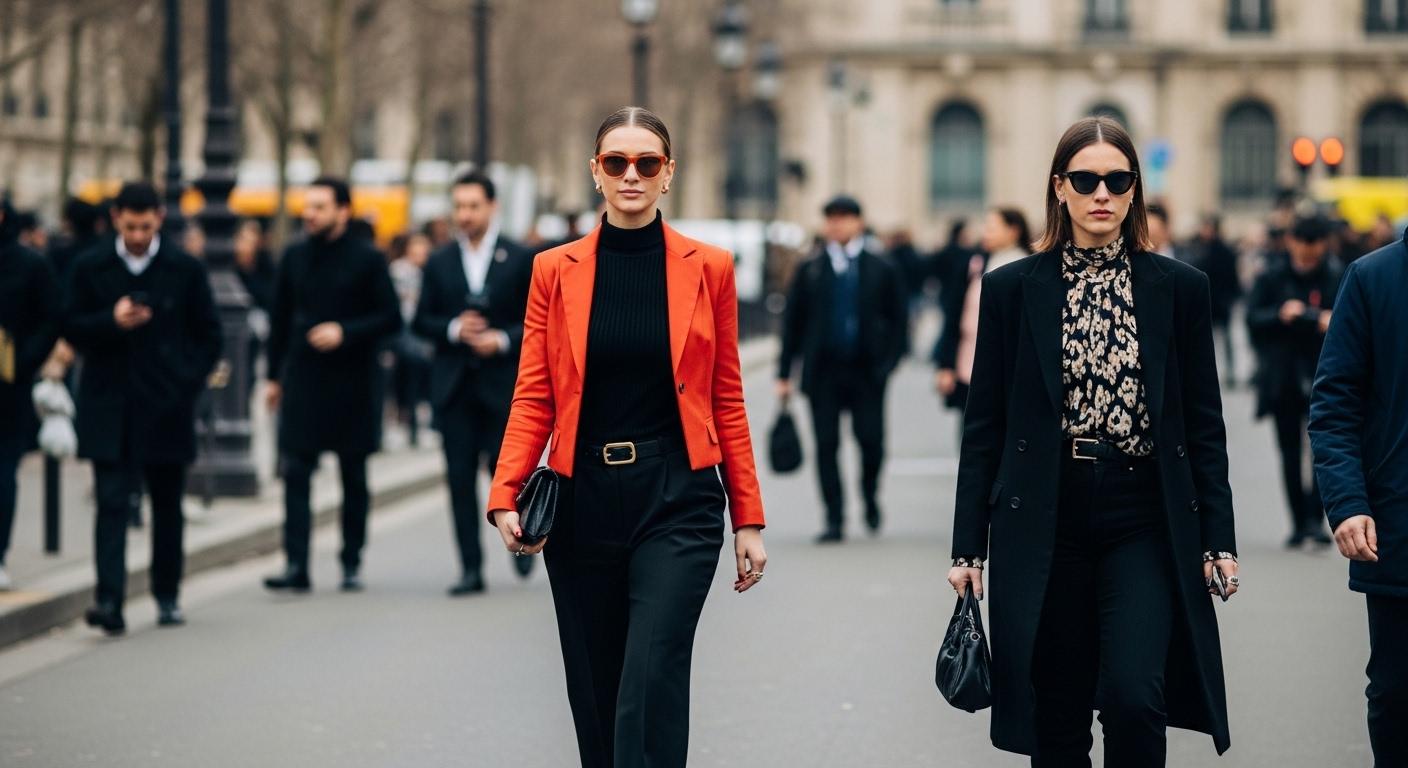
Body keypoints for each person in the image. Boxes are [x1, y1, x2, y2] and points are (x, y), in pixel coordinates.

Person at [947, 117, 1238, 765]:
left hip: (1143, 516)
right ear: (1060, 189)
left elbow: (1203, 424)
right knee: (1058, 710)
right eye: (1086, 179)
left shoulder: (1179, 288)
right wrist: (969, 548)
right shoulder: (1012, 289)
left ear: (1134, 192)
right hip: (1046, 515)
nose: (1101, 192)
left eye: (1117, 179)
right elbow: (984, 425)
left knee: (1137, 698)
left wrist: (1219, 537)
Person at [486, 106, 767, 768]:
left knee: (651, 673)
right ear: (596, 173)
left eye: (647, 163)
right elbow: (534, 391)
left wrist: (747, 517)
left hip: (679, 498)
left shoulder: (711, 269)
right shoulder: (554, 270)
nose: (631, 175)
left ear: (668, 175)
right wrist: (505, 491)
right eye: (617, 163)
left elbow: (727, 395)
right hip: (581, 500)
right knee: (597, 691)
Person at [62, 181, 222, 633]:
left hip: (166, 405)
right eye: (130, 226)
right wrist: (110, 322)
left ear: (159, 219)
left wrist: (184, 381)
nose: (137, 236)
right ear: (115, 219)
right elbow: (70, 323)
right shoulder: (90, 265)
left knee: (167, 506)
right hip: (108, 403)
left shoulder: (184, 268)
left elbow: (209, 335)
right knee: (111, 503)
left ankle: (167, 594)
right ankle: (109, 600)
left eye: (146, 226)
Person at [263, 177, 400, 594]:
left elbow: (390, 318)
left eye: (320, 207)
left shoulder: (368, 259)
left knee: (353, 475)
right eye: (308, 206)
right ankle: (296, 564)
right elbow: (279, 319)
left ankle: (350, 558)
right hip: (304, 378)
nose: (310, 214)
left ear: (343, 211)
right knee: (296, 472)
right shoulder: (294, 256)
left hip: (353, 383)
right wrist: (273, 376)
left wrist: (346, 331)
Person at [1309, 221, 1408, 768]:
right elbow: (1334, 404)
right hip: (1398, 524)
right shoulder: (1373, 277)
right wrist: (1347, 503)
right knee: (1396, 696)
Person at [412, 172, 535, 595]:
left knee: (511, 476)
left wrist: (501, 340)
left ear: (492, 206)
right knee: (460, 481)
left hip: (504, 389)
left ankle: (521, 543)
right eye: (458, 207)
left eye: (472, 206)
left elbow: (537, 323)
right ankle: (470, 568)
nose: (464, 215)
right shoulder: (440, 260)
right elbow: (420, 321)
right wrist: (452, 329)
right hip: (454, 389)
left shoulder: (521, 258)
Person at [777, 195, 908, 542]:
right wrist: (783, 374)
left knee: (871, 442)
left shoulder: (882, 267)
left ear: (858, 223)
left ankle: (869, 497)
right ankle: (834, 517)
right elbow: (793, 324)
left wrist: (888, 363)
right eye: (831, 218)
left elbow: (899, 321)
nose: (837, 224)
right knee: (826, 445)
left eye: (844, 217)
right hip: (823, 374)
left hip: (867, 373)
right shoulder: (811, 268)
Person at [1246, 213, 1340, 548]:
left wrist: (1326, 319)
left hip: (1323, 374)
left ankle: (1316, 520)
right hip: (1282, 375)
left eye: (1315, 249)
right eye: (1303, 247)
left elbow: (1346, 320)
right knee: (1288, 452)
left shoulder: (1335, 274)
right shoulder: (1271, 274)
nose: (1308, 255)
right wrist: (1280, 314)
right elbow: (1252, 318)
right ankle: (1298, 522)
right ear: (1292, 242)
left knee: (1323, 450)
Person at [0, 205, 61, 591]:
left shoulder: (29, 264)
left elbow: (50, 319)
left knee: (3, 472)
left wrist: (22, 363)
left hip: (9, 387)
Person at [934, 207, 1032, 415]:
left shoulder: (1033, 269)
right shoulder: (975, 264)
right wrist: (946, 364)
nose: (985, 234)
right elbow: (954, 317)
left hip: (1014, 370)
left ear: (1013, 231)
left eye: (991, 228)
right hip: (971, 363)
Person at [1190, 214, 1243, 388]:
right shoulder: (1201, 248)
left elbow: (1232, 277)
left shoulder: (1220, 251)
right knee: (1208, 340)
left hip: (1220, 301)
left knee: (1224, 340)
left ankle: (1229, 372)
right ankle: (1212, 373)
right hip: (1210, 301)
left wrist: (1230, 297)